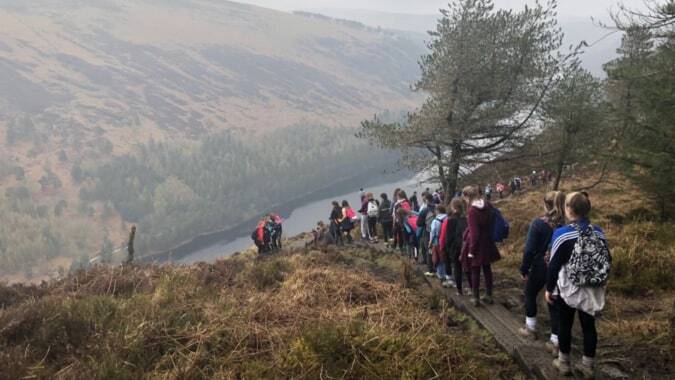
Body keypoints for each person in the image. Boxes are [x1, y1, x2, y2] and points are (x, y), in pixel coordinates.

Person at [545, 192, 610, 379]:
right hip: (593, 288)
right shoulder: (598, 231)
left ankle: (564, 363)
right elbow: (607, 258)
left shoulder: (562, 234)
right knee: (589, 327)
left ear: (568, 209)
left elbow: (554, 265)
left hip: (570, 288)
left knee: (565, 324)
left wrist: (550, 289)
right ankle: (588, 366)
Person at [517, 192, 566, 352]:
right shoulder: (567, 225)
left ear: (546, 205)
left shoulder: (538, 224)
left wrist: (524, 268)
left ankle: (530, 328)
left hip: (541, 266)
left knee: (530, 293)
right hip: (561, 268)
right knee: (555, 302)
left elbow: (530, 250)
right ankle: (555, 340)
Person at [460, 186, 501, 306]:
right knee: (487, 268)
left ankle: (475, 297)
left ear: (467, 196)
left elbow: (475, 233)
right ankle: (489, 295)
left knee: (475, 270)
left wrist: (471, 250)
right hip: (488, 240)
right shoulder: (487, 204)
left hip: (477, 244)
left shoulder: (472, 211)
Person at [444, 198, 467, 295]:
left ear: (453, 207)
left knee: (457, 268)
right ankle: (471, 288)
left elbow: (448, 237)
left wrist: (448, 249)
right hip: (465, 246)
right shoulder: (465, 218)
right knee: (467, 268)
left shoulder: (450, 220)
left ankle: (459, 290)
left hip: (455, 247)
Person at [430, 205, 452, 287]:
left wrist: (430, 243)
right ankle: (448, 276)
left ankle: (441, 276)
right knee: (446, 259)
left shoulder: (435, 221)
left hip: (437, 242)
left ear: (437, 211)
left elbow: (433, 233)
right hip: (448, 241)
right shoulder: (448, 219)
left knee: (438, 259)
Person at [418, 193, 435, 276]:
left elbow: (419, 223)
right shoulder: (438, 207)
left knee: (429, 250)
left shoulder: (425, 210)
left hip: (427, 232)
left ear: (427, 200)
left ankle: (431, 270)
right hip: (438, 232)